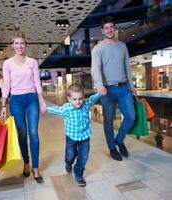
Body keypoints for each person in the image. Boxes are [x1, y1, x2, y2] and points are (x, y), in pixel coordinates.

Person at [0, 31, 46, 183]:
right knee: (22, 134)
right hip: (16, 101)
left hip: (32, 98)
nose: (19, 46)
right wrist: (4, 104)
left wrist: (41, 100)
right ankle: (26, 162)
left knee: (33, 133)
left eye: (22, 43)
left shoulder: (32, 62)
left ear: (25, 45)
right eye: (16, 43)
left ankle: (36, 167)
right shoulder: (7, 64)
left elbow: (37, 82)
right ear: (12, 45)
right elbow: (6, 84)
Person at [91, 16, 136, 161]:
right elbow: (95, 68)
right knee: (108, 121)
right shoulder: (98, 48)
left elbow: (127, 67)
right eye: (106, 28)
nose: (109, 30)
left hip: (123, 88)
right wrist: (99, 84)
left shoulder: (122, 46)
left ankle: (119, 139)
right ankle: (111, 147)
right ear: (102, 30)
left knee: (131, 116)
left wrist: (132, 85)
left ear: (114, 28)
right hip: (107, 90)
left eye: (111, 27)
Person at [47, 83, 99, 187]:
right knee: (70, 156)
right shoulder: (66, 108)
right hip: (71, 137)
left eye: (80, 98)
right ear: (69, 99)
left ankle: (78, 174)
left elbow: (93, 98)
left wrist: (100, 93)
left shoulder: (86, 104)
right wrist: (45, 108)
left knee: (83, 157)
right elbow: (56, 110)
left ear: (83, 97)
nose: (78, 102)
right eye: (75, 99)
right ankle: (68, 163)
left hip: (85, 136)